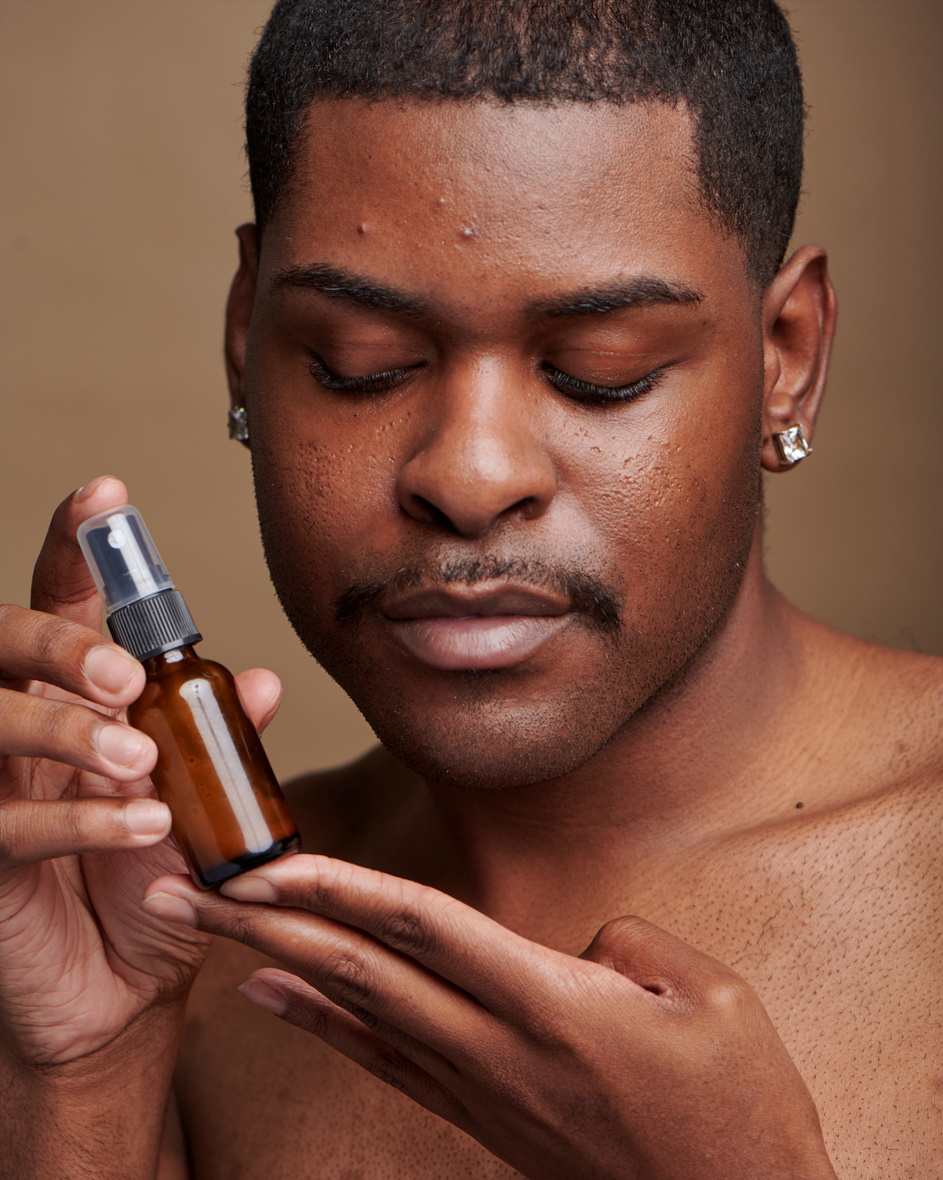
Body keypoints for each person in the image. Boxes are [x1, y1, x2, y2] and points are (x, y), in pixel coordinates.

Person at [1, 1, 940, 1176]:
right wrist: (79, 1073)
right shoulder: (189, 938)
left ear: (785, 356)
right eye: (361, 366)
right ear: (245, 339)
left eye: (600, 375)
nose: (470, 474)